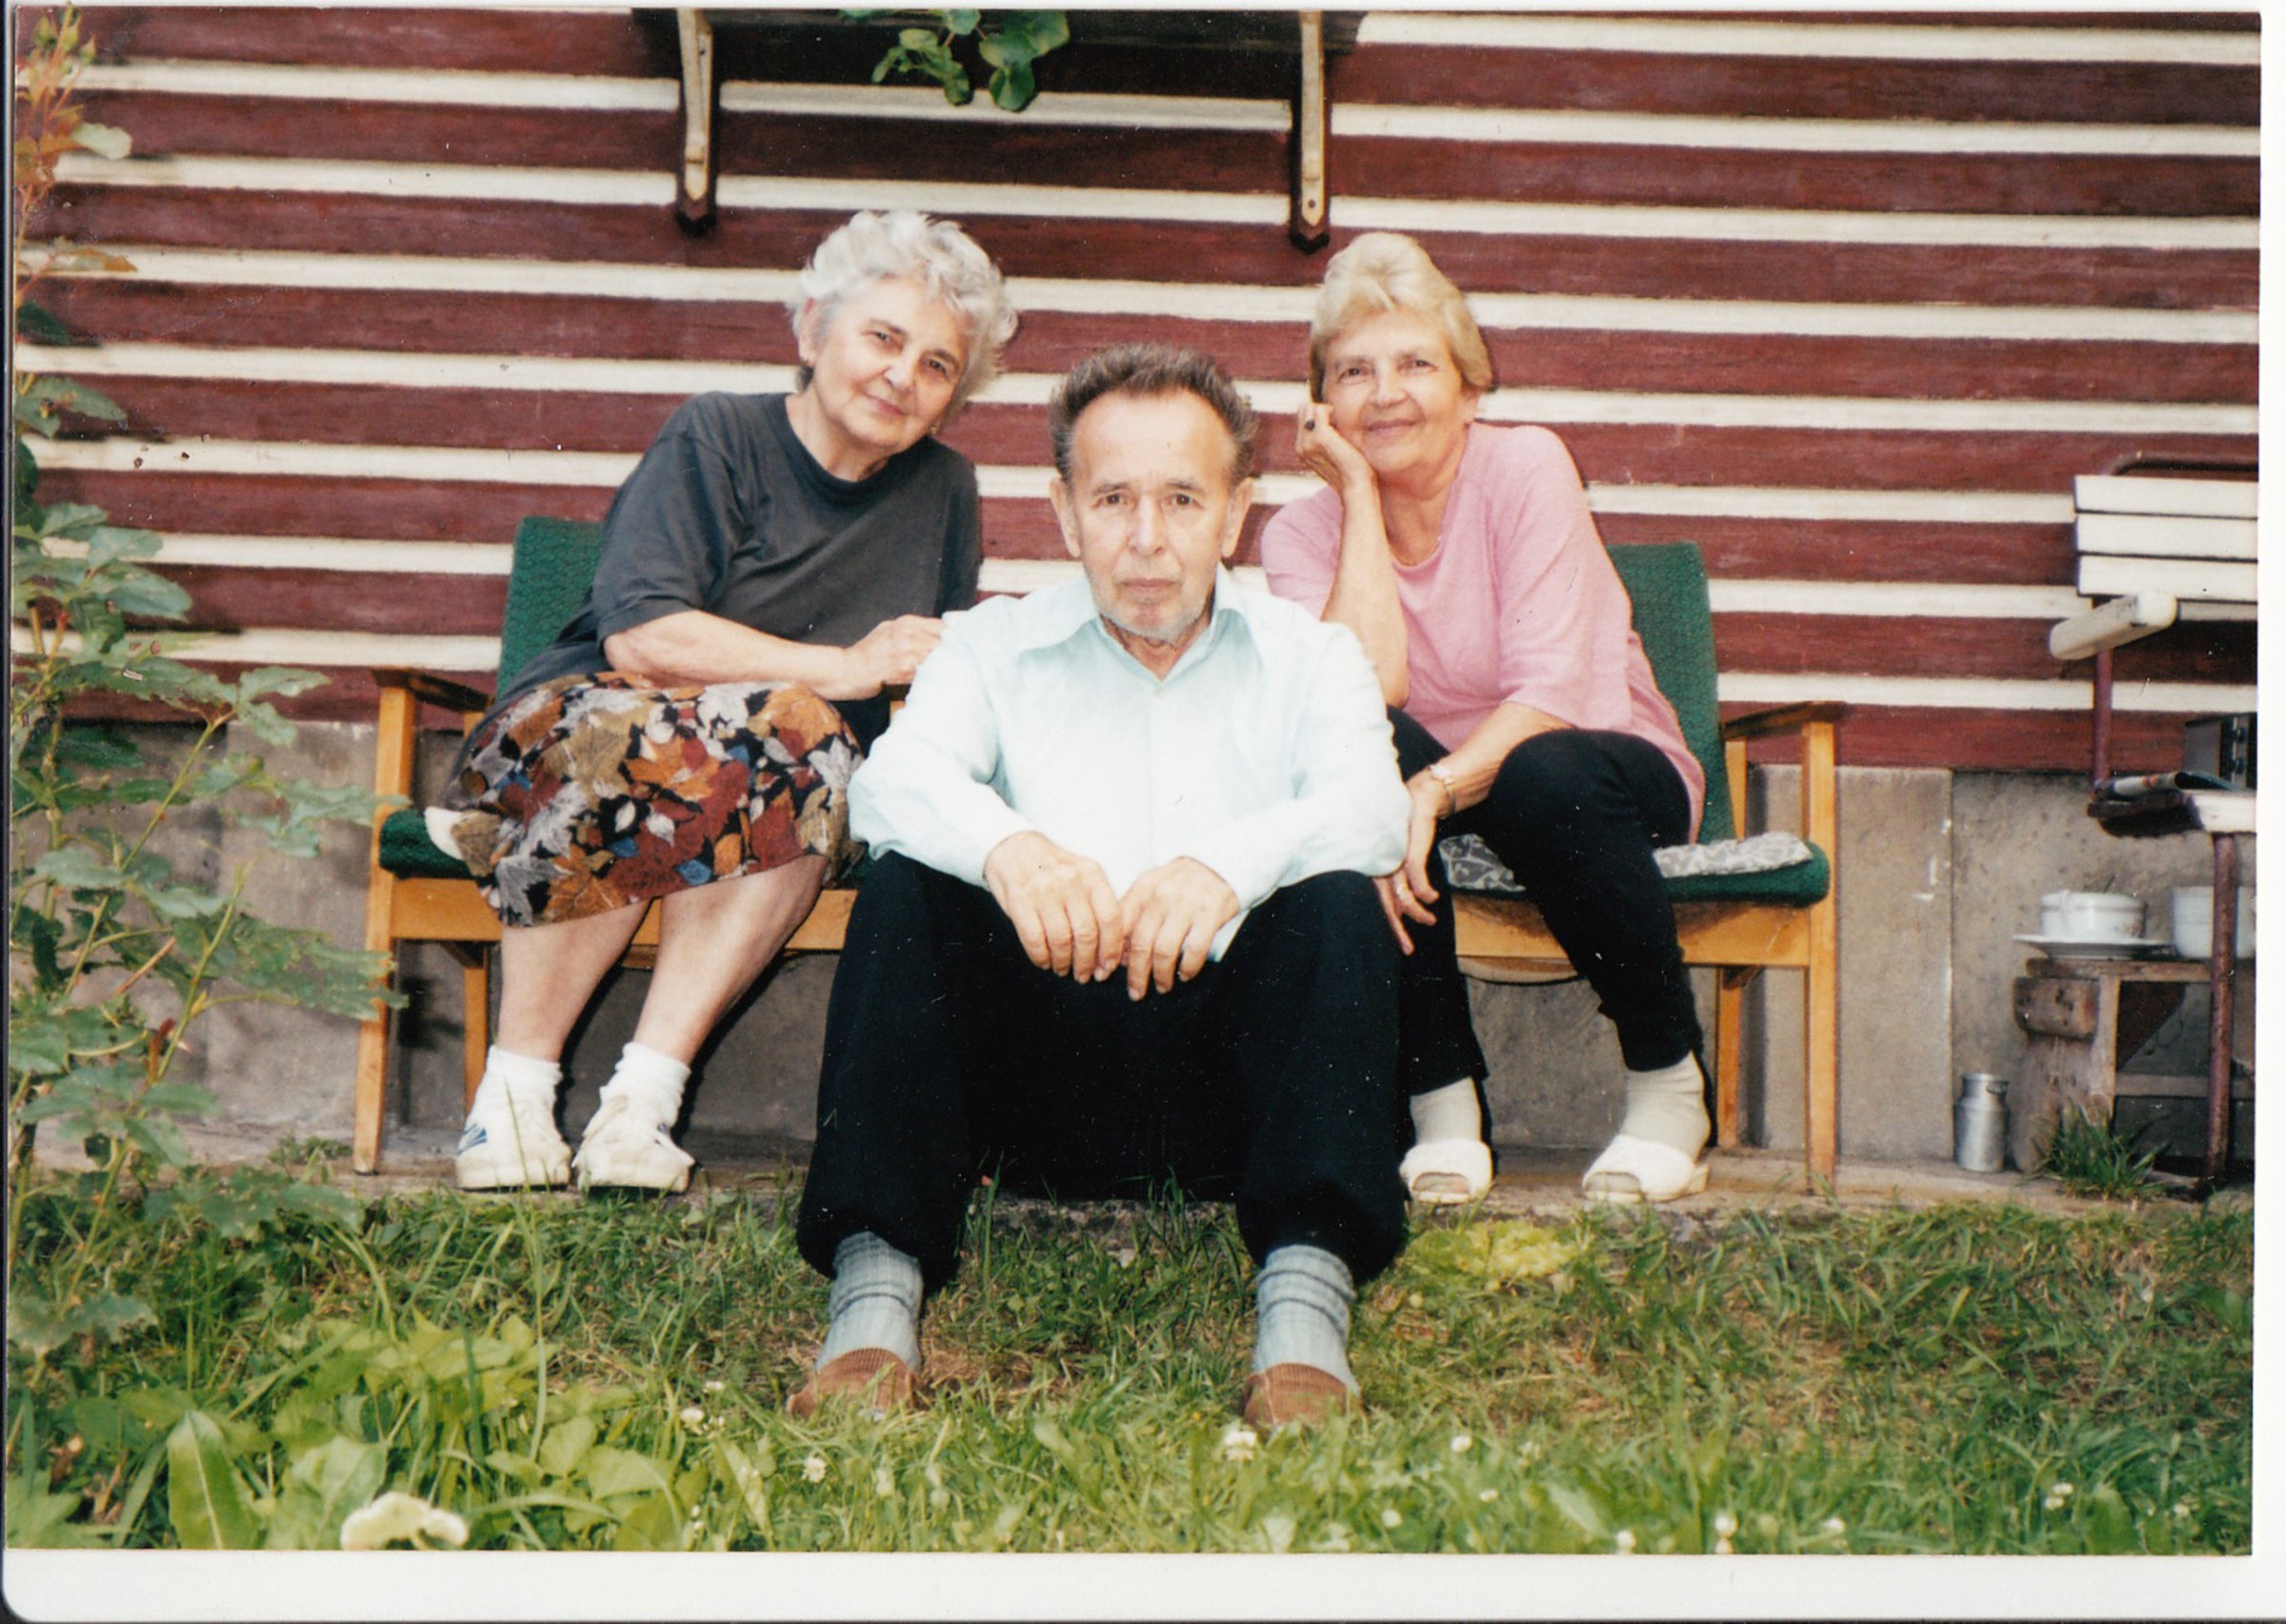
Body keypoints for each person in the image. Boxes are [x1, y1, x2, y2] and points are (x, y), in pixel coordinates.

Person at [790, 344, 1413, 1432]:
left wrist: (1228, 867)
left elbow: (1373, 807)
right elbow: (891, 785)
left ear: (1236, 514)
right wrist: (1011, 850)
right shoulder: (990, 645)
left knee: (1336, 897)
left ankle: (1303, 1328)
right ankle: (873, 1316)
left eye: (1183, 499)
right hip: (1033, 1091)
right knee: (907, 886)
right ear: (1066, 513)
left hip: (1240, 1101)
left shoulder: (1311, 656)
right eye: (1114, 498)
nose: (1147, 538)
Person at [443, 210, 1017, 1195]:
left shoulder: (945, 489)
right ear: (812, 330)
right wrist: (843, 666)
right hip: (580, 730)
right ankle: (512, 1097)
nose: (902, 376)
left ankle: (639, 1107)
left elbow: (924, 673)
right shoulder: (717, 433)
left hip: (779, 781)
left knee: (817, 767)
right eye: (883, 337)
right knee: (726, 743)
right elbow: (641, 638)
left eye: (936, 365)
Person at [1259, 231, 1711, 1207]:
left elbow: (1553, 695)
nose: (1385, 395)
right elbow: (1358, 692)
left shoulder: (1526, 467)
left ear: (1469, 388)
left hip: (1599, 772)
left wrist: (1433, 789)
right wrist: (1359, 499)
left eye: (1416, 365)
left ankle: (1670, 1085)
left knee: (1536, 771)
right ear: (1321, 405)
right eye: (1354, 372)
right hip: (1438, 790)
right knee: (1357, 755)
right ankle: (1443, 1105)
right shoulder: (1297, 533)